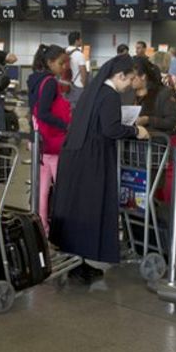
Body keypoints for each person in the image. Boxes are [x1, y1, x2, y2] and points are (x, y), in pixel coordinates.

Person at [50, 55, 149, 282]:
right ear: (120, 75)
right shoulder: (110, 95)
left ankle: (77, 262)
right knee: (91, 210)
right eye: (129, 79)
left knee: (77, 210)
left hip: (76, 157)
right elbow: (111, 130)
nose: (130, 84)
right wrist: (136, 132)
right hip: (93, 160)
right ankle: (81, 264)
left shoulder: (94, 92)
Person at [27, 44, 71, 235]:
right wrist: (65, 126)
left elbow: (35, 112)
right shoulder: (50, 82)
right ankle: (62, 231)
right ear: (50, 62)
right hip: (53, 143)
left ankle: (42, 229)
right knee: (63, 189)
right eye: (61, 63)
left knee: (42, 191)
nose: (64, 68)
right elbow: (44, 112)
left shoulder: (33, 79)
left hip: (38, 140)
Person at [131, 57, 176, 133]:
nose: (129, 80)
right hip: (130, 140)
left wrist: (148, 120)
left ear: (143, 76)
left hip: (154, 140)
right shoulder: (127, 93)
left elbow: (171, 122)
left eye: (132, 77)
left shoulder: (163, 93)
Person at [66, 31, 88, 111]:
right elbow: (83, 72)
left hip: (65, 84)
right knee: (78, 109)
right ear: (76, 41)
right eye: (80, 39)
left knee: (67, 107)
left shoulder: (64, 52)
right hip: (78, 85)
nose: (81, 40)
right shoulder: (79, 54)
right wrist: (84, 84)